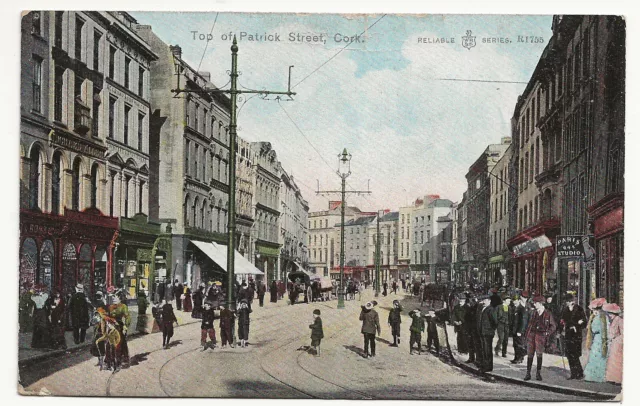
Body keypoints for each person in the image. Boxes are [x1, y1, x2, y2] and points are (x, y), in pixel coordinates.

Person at [524, 295, 557, 381]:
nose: (534, 305)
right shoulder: (533, 313)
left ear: (540, 304)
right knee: (530, 355)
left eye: (536, 303)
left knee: (539, 355)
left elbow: (553, 326)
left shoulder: (547, 314)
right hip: (532, 335)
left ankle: (538, 373)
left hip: (541, 337)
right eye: (534, 303)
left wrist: (547, 333)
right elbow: (528, 325)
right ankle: (528, 373)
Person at [559, 293, 587, 380]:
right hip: (568, 334)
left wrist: (577, 325)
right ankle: (573, 374)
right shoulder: (565, 310)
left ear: (572, 301)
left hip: (576, 335)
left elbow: (584, 322)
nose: (567, 303)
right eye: (566, 301)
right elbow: (562, 321)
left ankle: (580, 373)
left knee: (575, 355)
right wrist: (560, 329)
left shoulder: (579, 309)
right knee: (569, 355)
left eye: (568, 301)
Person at [584, 298, 608, 382]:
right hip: (596, 338)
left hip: (600, 338)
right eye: (593, 310)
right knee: (594, 356)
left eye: (595, 310)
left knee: (598, 356)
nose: (594, 311)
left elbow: (602, 328)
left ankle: (597, 376)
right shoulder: (594, 317)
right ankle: (592, 376)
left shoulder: (602, 317)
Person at [109, 291, 131, 367]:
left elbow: (127, 317)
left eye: (115, 297)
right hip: (111, 326)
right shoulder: (111, 306)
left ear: (120, 298)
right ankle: (109, 360)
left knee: (121, 342)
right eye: (113, 297)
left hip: (120, 326)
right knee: (109, 343)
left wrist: (125, 326)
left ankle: (124, 358)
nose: (113, 299)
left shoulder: (123, 306)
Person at [476, 294, 497, 373]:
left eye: (485, 300)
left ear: (489, 301)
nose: (484, 302)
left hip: (487, 333)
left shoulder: (491, 309)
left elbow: (495, 321)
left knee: (487, 350)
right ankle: (484, 364)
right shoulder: (482, 308)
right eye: (483, 300)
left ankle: (488, 366)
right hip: (482, 332)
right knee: (483, 349)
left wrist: (491, 329)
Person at [603, 303, 623, 385]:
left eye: (611, 313)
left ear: (615, 313)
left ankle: (618, 379)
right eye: (609, 313)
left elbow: (623, 333)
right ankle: (612, 378)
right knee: (612, 361)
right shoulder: (614, 320)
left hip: (618, 342)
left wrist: (618, 341)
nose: (609, 315)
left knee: (617, 361)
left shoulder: (619, 320)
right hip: (613, 342)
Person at [511, 291, 530, 364]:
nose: (524, 299)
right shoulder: (518, 307)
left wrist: (519, 331)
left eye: (525, 298)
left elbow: (523, 321)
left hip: (519, 330)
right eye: (523, 297)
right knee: (516, 344)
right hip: (515, 329)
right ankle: (517, 358)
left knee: (519, 345)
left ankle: (519, 358)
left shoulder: (523, 308)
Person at [494, 293, 512, 358]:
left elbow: (510, 317)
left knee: (506, 339)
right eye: (508, 300)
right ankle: (497, 349)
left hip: (507, 325)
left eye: (509, 300)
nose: (509, 302)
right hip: (500, 325)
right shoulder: (498, 307)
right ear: (504, 301)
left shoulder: (509, 308)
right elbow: (495, 316)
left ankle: (504, 352)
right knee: (501, 338)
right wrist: (497, 323)